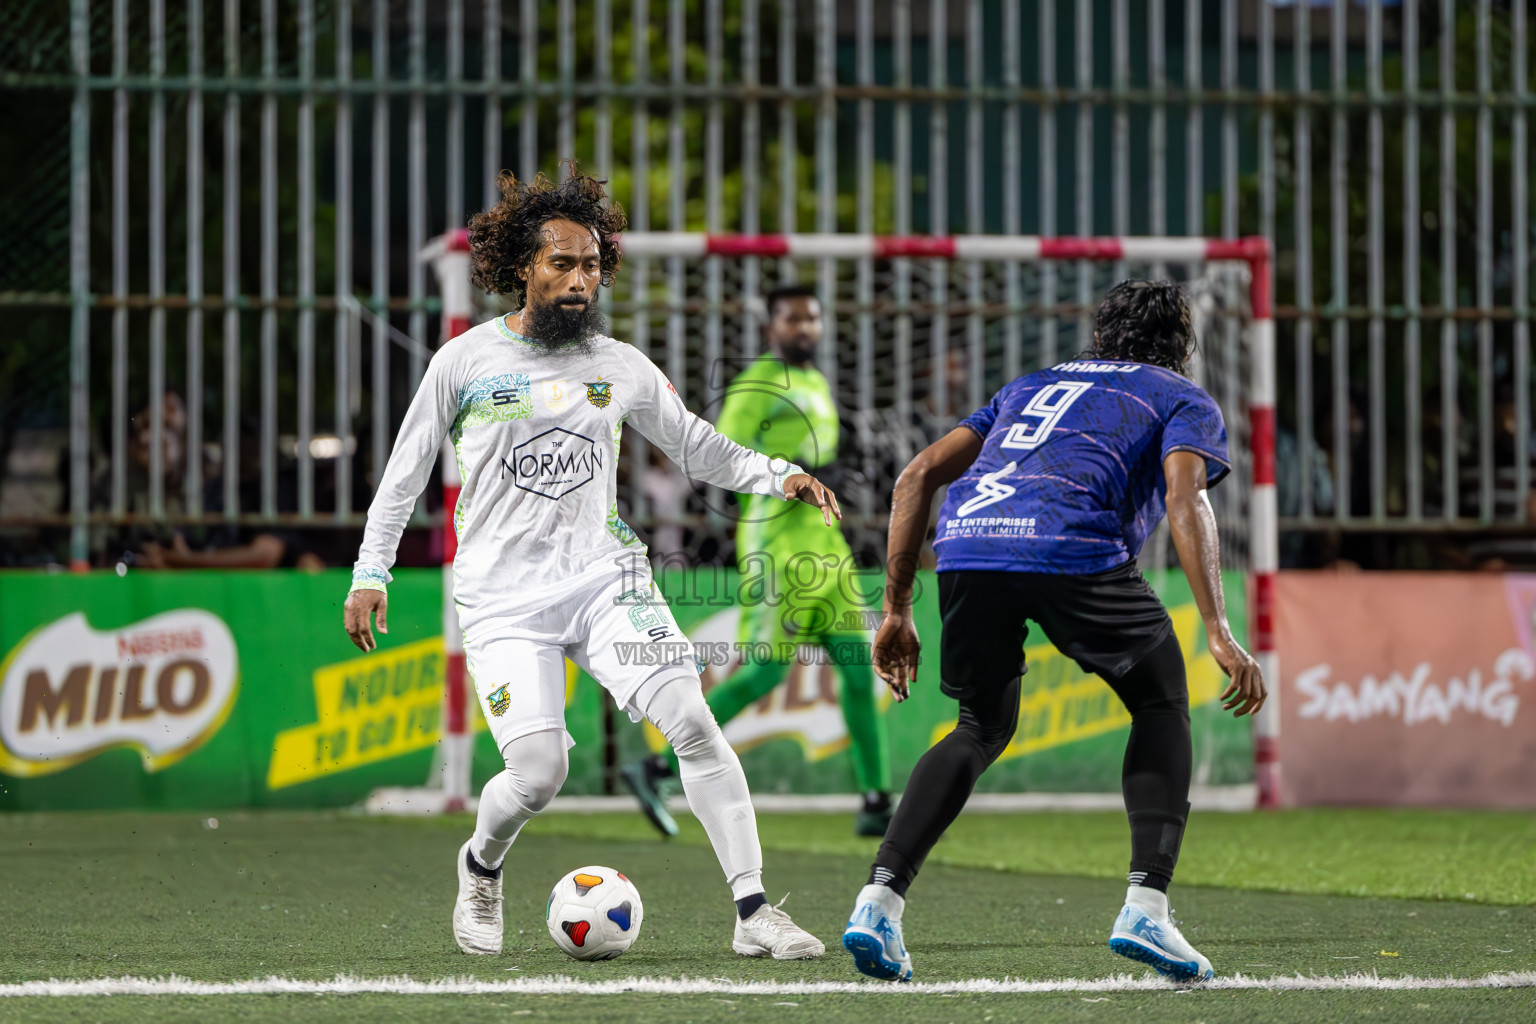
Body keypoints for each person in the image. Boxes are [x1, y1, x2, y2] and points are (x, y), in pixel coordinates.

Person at [343, 168, 836, 961]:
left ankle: (753, 913)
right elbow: (405, 473)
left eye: (592, 266)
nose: (579, 280)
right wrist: (373, 571)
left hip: (607, 581)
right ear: (523, 269)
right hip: (503, 599)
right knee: (539, 774)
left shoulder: (621, 364)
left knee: (695, 726)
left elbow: (695, 444)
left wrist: (778, 474)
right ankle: (480, 863)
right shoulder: (463, 363)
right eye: (562, 265)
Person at [840, 280, 1267, 983]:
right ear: (1179, 347)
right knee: (1160, 701)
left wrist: (897, 608)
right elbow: (1187, 498)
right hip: (1073, 547)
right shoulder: (1177, 395)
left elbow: (915, 476)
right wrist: (1218, 629)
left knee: (978, 724)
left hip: (969, 545)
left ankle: (877, 904)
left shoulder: (1028, 385)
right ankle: (1146, 909)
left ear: (1102, 334)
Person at [620, 286, 893, 838]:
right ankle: (656, 767)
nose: (806, 327)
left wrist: (837, 470)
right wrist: (792, 473)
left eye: (812, 317)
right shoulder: (756, 385)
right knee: (764, 671)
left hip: (828, 553)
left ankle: (876, 798)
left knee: (859, 673)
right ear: (772, 328)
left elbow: (823, 461)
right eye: (794, 318)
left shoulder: (815, 383)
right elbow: (721, 455)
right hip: (777, 552)